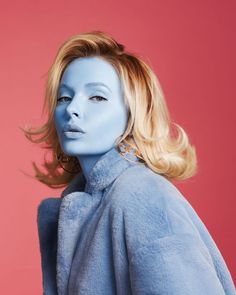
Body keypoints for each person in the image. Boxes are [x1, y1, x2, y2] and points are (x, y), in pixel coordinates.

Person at [23, 30, 236, 295]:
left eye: (97, 97)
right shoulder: (91, 199)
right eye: (64, 97)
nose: (71, 109)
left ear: (132, 113)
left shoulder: (143, 196)